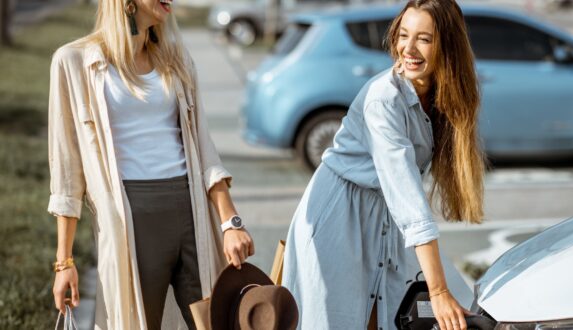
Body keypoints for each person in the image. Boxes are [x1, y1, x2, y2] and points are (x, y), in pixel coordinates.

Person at [48, 0, 254, 328]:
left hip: (192, 214)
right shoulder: (73, 62)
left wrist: (230, 222)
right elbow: (67, 174)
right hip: (132, 221)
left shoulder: (176, 59)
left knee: (217, 321)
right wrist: (64, 262)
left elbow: (203, 145)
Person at [281, 0, 485, 329]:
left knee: (446, 310)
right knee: (344, 321)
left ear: (447, 45)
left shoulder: (440, 96)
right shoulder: (384, 98)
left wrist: (444, 292)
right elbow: (408, 197)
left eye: (424, 38)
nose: (408, 48)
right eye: (403, 35)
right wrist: (438, 289)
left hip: (385, 217)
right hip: (339, 216)